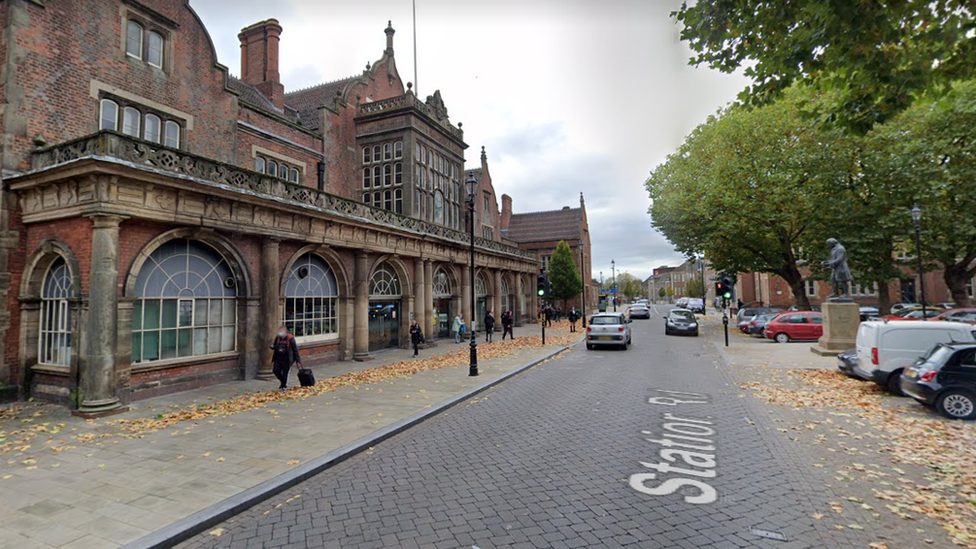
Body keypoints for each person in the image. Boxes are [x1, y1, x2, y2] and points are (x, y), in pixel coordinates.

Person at [270, 325, 301, 392]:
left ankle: (284, 386)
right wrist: (272, 347)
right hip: (278, 358)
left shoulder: (290, 338)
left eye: (281, 331)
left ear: (285, 331)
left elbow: (295, 349)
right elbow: (275, 345)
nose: (280, 332)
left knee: (285, 373)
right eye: (279, 331)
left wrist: (298, 360)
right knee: (276, 371)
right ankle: (283, 381)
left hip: (287, 358)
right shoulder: (278, 338)